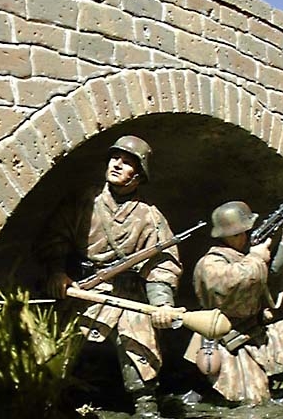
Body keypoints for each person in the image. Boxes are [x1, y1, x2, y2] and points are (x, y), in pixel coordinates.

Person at [38, 135, 182, 418]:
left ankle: (145, 404)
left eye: (127, 163)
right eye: (115, 158)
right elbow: (55, 236)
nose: (117, 164)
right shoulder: (84, 202)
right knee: (60, 344)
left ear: (138, 176)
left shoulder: (150, 216)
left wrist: (162, 304)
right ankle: (48, 399)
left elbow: (162, 264)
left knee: (138, 339)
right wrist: (57, 272)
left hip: (128, 295)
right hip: (83, 290)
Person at [185, 200, 283, 405]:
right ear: (229, 234)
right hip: (227, 342)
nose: (246, 237)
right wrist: (256, 258)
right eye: (241, 233)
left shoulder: (244, 256)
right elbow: (232, 283)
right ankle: (207, 391)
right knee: (253, 402)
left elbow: (263, 282)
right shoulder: (210, 263)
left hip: (255, 333)